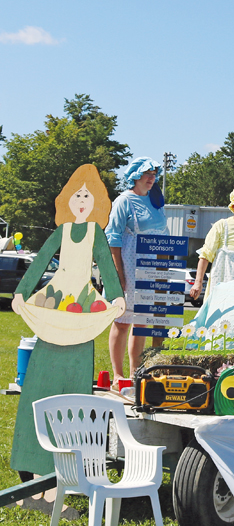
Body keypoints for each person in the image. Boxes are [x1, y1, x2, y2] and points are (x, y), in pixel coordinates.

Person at [11, 164, 125, 475]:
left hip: (82, 308)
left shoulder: (95, 234)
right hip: (56, 303)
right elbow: (39, 264)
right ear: (67, 199)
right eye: (77, 194)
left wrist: (115, 298)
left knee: (73, 390)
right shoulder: (61, 232)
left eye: (88, 195)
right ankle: (28, 463)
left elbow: (105, 265)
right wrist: (22, 292)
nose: (82, 200)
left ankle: (64, 472)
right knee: (38, 384)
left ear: (97, 202)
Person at [105, 157, 169, 388]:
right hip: (129, 263)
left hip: (152, 267)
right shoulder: (124, 201)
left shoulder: (156, 202)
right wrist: (117, 274)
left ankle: (136, 373)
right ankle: (118, 374)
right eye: (146, 174)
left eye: (154, 174)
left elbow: (165, 237)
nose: (151, 178)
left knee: (142, 322)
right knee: (122, 321)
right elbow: (113, 238)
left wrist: (164, 269)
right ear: (135, 175)